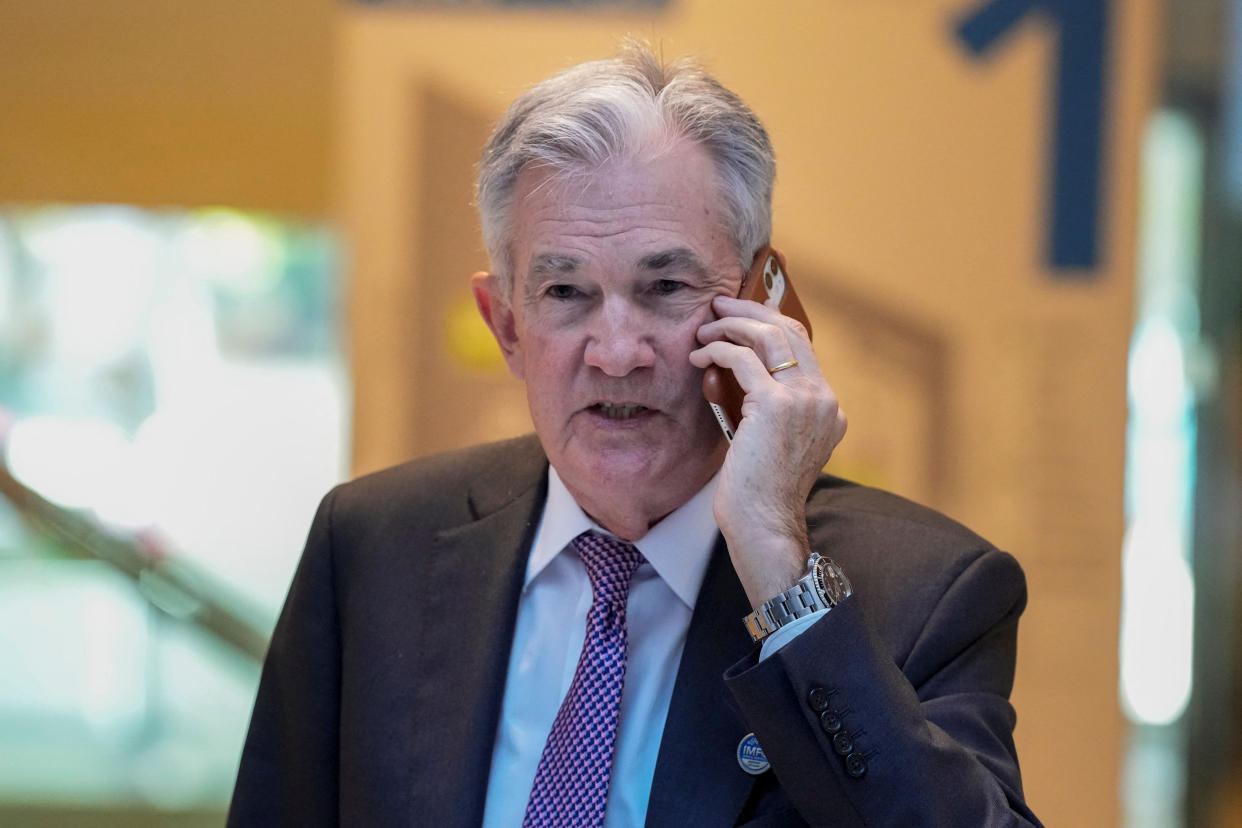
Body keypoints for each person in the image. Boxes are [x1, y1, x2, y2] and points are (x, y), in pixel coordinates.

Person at [228, 40, 1043, 827]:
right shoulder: (373, 546)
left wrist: (775, 559)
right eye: (566, 293)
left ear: (762, 305)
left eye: (664, 286)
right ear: (506, 325)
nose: (617, 353)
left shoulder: (930, 591)